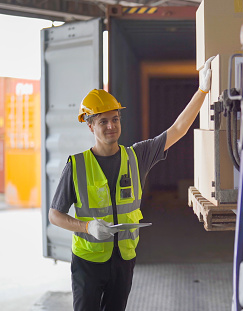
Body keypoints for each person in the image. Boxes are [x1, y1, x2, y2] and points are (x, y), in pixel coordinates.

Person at [48, 56, 215, 311]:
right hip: (88, 261)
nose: (111, 126)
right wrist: (86, 227)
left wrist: (203, 89)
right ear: (90, 126)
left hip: (124, 259)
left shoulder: (137, 156)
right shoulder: (77, 165)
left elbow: (178, 129)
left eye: (115, 119)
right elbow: (54, 215)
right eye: (103, 121)